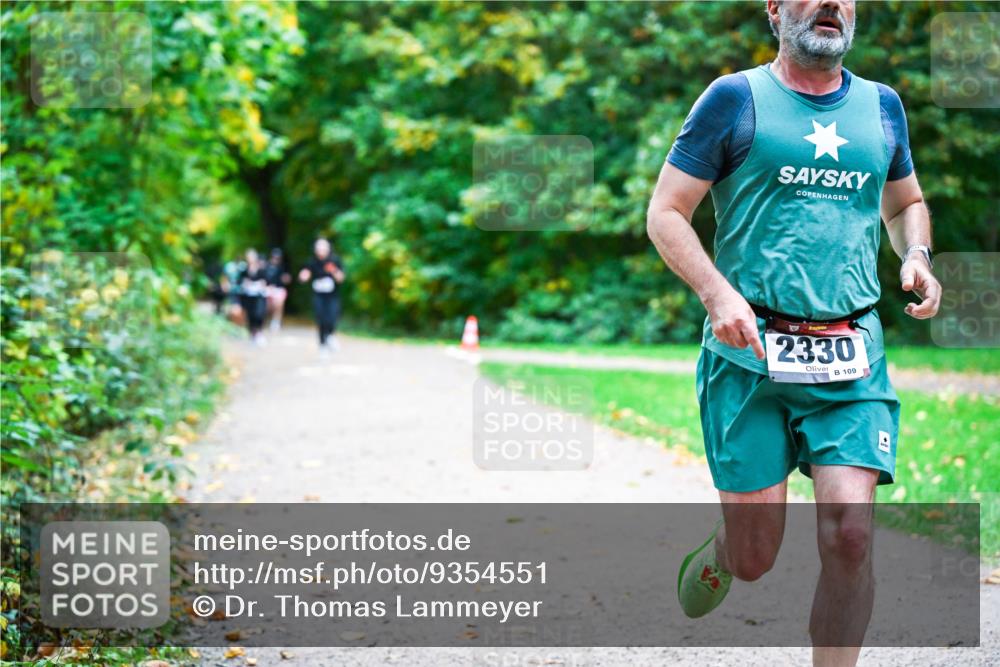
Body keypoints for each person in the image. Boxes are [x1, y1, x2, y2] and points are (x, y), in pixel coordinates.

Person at [646, 1, 940, 665]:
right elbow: (666, 212)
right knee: (755, 555)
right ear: (776, 9)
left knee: (851, 536)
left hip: (851, 353)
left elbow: (907, 202)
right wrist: (716, 292)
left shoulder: (882, 107)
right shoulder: (734, 99)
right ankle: (726, 549)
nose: (833, 3)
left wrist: (916, 256)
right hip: (749, 357)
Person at [298, 238, 346, 355]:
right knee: (321, 319)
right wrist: (303, 276)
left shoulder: (334, 260)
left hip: (332, 296)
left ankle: (330, 335)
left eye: (323, 247)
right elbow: (304, 275)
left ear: (328, 248)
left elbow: (341, 279)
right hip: (318, 296)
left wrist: (333, 270)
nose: (321, 250)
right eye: (318, 247)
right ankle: (322, 345)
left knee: (332, 317)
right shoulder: (312, 262)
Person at [237, 249, 269, 346]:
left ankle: (259, 333)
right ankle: (252, 334)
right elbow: (240, 281)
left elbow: (267, 281)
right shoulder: (244, 269)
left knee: (259, 314)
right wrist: (245, 283)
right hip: (248, 296)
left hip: (259, 295)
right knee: (250, 315)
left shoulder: (262, 269)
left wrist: (262, 284)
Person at [264, 248, 291, 332]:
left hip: (279, 289)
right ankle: (264, 320)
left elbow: (287, 279)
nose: (276, 259)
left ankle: (276, 321)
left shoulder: (283, 267)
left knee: (278, 304)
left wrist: (286, 279)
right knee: (267, 306)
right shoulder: (266, 266)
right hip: (268, 289)